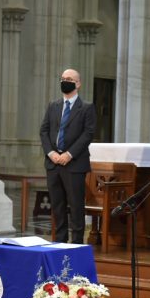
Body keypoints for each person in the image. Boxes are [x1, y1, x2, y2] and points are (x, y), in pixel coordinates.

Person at [40, 68, 96, 243]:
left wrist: (69, 154)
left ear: (78, 83)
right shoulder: (53, 105)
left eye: (70, 79)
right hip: (53, 164)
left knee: (76, 207)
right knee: (57, 207)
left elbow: (88, 134)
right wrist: (51, 153)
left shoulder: (86, 107)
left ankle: (77, 245)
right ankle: (59, 243)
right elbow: (44, 131)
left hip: (74, 164)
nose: (65, 81)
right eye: (63, 78)